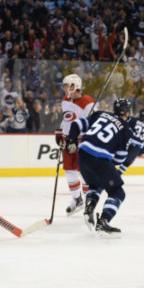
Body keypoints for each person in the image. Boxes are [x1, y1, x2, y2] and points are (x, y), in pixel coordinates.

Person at [65, 98, 139, 236]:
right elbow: (120, 157)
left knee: (96, 184)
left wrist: (71, 140)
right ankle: (103, 221)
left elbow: (76, 124)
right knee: (118, 193)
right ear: (127, 112)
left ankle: (89, 207)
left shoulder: (100, 114)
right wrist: (111, 166)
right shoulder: (126, 130)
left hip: (83, 155)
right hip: (100, 160)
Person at [55, 73, 95, 215]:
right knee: (69, 171)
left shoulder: (88, 102)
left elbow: (92, 124)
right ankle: (77, 200)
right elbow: (66, 118)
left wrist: (83, 140)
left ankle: (89, 201)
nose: (64, 88)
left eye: (66, 85)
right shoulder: (65, 100)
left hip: (81, 141)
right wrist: (59, 132)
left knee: (83, 173)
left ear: (75, 86)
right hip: (68, 140)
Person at [118, 107, 144, 174]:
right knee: (126, 163)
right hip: (136, 148)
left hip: (127, 142)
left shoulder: (133, 120)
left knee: (116, 158)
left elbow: (123, 126)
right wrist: (142, 150)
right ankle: (116, 176)